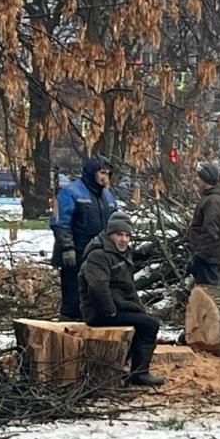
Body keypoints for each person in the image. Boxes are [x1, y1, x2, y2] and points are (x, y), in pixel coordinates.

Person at [80, 212, 164, 386]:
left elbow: (128, 286)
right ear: (110, 234)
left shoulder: (121, 253)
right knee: (150, 326)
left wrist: (139, 308)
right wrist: (110, 312)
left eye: (127, 235)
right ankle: (140, 374)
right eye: (119, 234)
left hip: (117, 305)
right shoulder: (99, 255)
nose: (123, 239)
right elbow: (97, 288)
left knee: (146, 321)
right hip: (99, 312)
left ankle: (125, 366)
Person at [50, 155, 117, 320]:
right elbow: (60, 222)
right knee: (73, 297)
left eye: (108, 174)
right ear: (92, 172)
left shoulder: (108, 196)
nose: (105, 177)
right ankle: (69, 323)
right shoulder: (71, 192)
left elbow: (114, 223)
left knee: (95, 292)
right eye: (102, 172)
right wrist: (67, 247)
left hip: (98, 253)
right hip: (75, 253)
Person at [188, 162, 220, 285]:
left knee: (209, 289)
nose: (196, 179)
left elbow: (210, 231)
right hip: (210, 255)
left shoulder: (214, 201)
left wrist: (200, 254)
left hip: (209, 256)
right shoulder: (214, 198)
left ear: (205, 179)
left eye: (199, 177)